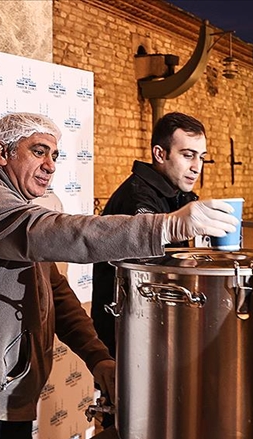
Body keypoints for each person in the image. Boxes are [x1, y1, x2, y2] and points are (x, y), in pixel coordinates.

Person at [0, 112, 238, 439]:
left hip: (8, 404)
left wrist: (97, 356)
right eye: (38, 151)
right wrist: (167, 226)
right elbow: (64, 233)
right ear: (1, 153)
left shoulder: (21, 211)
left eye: (55, 155)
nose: (50, 166)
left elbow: (55, 293)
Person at [91, 112, 207, 358]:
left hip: (157, 322)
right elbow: (151, 275)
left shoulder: (174, 195)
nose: (197, 167)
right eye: (187, 155)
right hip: (131, 327)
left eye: (201, 157)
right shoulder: (139, 199)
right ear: (160, 154)